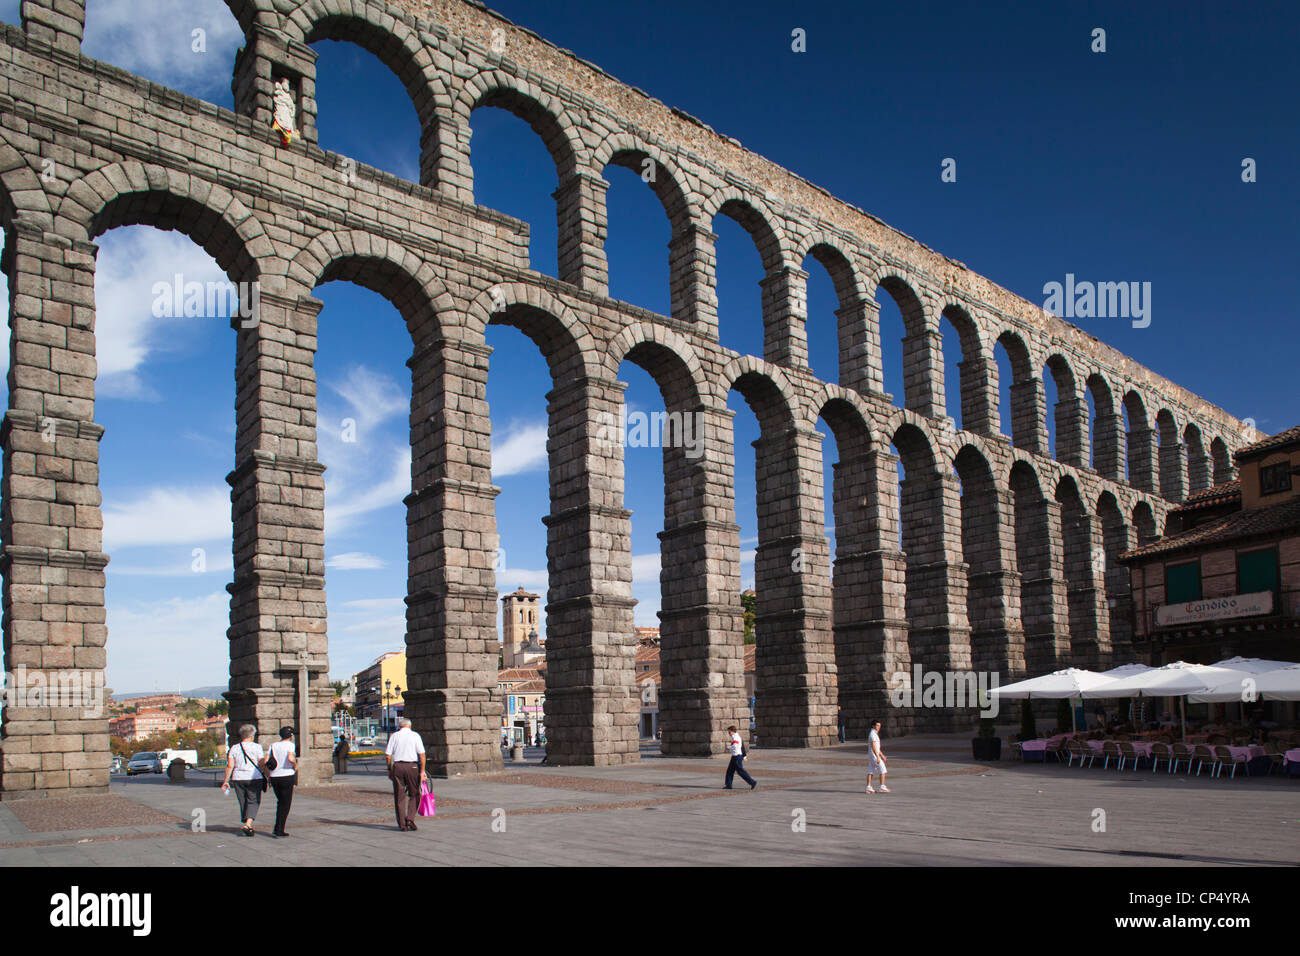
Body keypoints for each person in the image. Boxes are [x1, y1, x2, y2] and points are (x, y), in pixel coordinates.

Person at [221, 724, 267, 836]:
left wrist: (226, 781)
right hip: (254, 777)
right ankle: (248, 823)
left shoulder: (234, 748)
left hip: (238, 778)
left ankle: (247, 822)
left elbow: (230, 765)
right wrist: (268, 775)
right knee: (253, 800)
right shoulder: (257, 747)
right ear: (252, 735)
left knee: (243, 801)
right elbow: (261, 764)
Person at [385, 717, 426, 831]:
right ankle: (410, 818)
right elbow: (422, 755)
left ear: (399, 726)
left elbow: (388, 755)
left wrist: (389, 769)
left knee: (399, 796)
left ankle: (402, 824)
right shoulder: (415, 736)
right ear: (410, 726)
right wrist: (422, 771)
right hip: (412, 767)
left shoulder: (394, 736)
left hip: (398, 767)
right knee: (415, 794)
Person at [267, 725, 298, 838]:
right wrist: (295, 765)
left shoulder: (273, 745)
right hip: (286, 775)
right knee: (285, 804)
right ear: (290, 735)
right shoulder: (290, 745)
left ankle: (278, 827)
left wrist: (268, 775)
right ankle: (279, 829)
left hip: (274, 776)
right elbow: (290, 758)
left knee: (280, 802)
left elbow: (266, 760)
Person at [724, 725, 756, 790]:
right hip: (734, 756)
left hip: (737, 757)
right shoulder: (735, 736)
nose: (729, 733)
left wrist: (728, 747)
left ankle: (752, 782)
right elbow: (742, 747)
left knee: (740, 771)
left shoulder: (736, 737)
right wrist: (744, 756)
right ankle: (728, 785)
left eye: (729, 732)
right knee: (730, 771)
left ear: (732, 731)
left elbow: (735, 746)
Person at [866, 719, 889, 793]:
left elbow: (877, 747)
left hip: (872, 755)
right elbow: (873, 746)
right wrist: (878, 757)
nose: (879, 727)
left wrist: (882, 755)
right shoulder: (873, 734)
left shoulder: (874, 733)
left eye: (879, 726)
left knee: (871, 771)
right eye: (877, 725)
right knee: (883, 769)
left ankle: (868, 787)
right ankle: (882, 786)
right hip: (874, 756)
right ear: (873, 726)